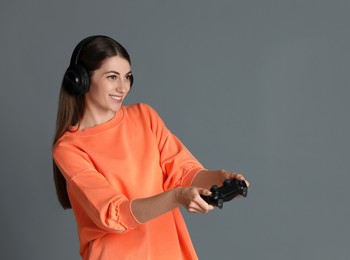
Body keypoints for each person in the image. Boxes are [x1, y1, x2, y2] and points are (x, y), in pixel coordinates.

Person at [52, 35, 249, 260]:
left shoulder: (144, 116)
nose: (122, 87)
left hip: (169, 251)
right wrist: (177, 197)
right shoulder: (69, 148)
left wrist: (221, 179)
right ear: (82, 80)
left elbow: (183, 172)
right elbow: (113, 215)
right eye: (112, 77)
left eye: (127, 77)